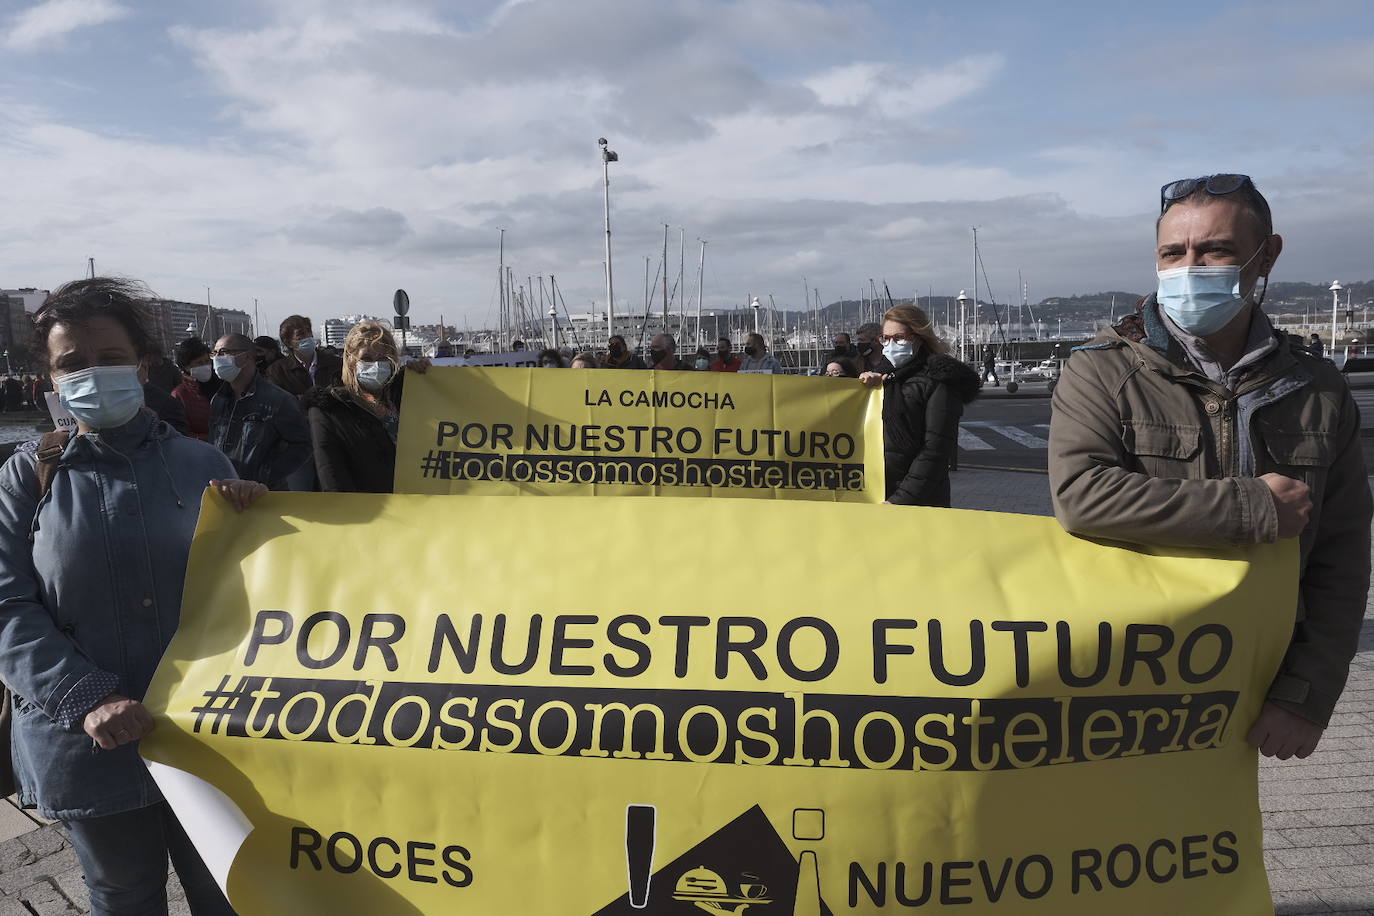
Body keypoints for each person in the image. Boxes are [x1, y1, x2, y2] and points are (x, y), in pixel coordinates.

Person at [1048, 173, 1372, 761]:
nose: (1190, 268)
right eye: (1173, 253)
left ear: (1266, 254)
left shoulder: (1318, 386)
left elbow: (1343, 556)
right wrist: (1253, 507)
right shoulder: (1101, 372)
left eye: (1215, 250)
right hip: (1122, 680)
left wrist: (1307, 696)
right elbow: (1081, 497)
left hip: (1257, 679)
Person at [0, 276, 265, 914]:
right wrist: (84, 696)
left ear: (141, 363)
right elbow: (7, 604)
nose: (93, 373)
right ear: (52, 377)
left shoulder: (204, 465)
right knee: (123, 895)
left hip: (205, 735)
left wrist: (264, 527)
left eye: (111, 358)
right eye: (73, 364)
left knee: (226, 891)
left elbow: (256, 597)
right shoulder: (24, 476)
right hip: (87, 746)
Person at [860, 305, 981, 505]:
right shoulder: (885, 379)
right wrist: (866, 390)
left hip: (918, 502)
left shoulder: (940, 382)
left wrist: (900, 500)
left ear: (918, 337)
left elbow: (935, 451)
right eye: (885, 338)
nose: (891, 344)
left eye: (899, 337)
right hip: (879, 495)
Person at [303, 321, 427, 493]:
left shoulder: (407, 396)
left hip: (421, 504)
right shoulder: (328, 411)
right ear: (351, 362)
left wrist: (425, 379)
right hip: (373, 513)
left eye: (383, 358)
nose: (376, 365)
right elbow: (332, 480)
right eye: (366, 358)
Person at [208, 332, 312, 488]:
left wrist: (263, 476)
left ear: (248, 356)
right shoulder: (218, 400)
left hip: (263, 495)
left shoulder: (278, 400)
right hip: (223, 492)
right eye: (214, 353)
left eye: (224, 352)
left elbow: (302, 445)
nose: (217, 358)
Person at [265, 315, 343, 397]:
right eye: (301, 334)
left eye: (309, 331)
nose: (308, 336)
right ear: (289, 343)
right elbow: (279, 402)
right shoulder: (277, 371)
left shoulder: (336, 364)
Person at [170, 337, 219, 441]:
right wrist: (210, 439)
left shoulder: (223, 385)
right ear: (186, 366)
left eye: (207, 361)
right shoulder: (179, 395)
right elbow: (181, 432)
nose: (206, 365)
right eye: (199, 363)